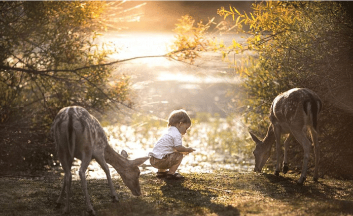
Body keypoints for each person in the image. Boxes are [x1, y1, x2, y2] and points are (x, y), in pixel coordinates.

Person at [149, 109, 196, 180]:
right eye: (186, 128)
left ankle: (161, 173)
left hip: (153, 160)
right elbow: (178, 148)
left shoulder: (168, 131)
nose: (186, 131)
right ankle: (171, 174)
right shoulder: (177, 134)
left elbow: (170, 149)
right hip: (161, 161)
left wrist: (182, 150)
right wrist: (187, 149)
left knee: (166, 153)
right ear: (180, 124)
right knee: (179, 155)